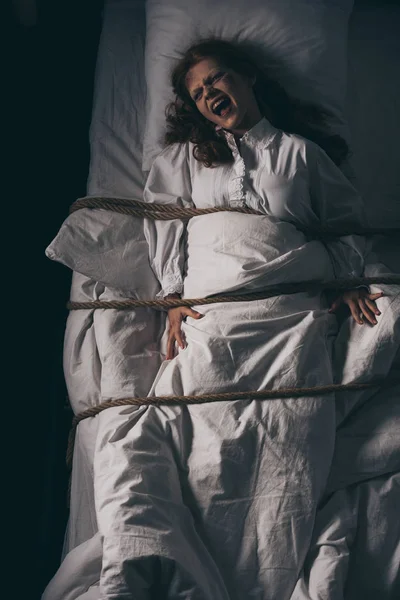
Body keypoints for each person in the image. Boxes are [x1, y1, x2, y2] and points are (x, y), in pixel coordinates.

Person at [143, 38, 383, 360]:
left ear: (247, 76)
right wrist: (172, 294)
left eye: (215, 79)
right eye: (198, 93)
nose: (209, 93)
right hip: (211, 312)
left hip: (288, 308)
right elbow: (164, 217)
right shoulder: (188, 159)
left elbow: (344, 220)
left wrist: (349, 280)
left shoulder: (299, 152)